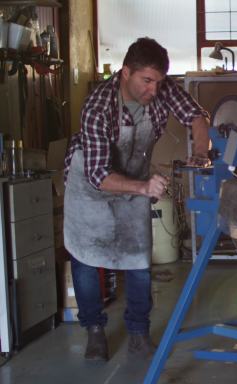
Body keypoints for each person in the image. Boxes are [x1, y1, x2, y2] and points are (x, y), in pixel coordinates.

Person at [63, 37, 210, 361]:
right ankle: (95, 331)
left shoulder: (160, 85)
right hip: (91, 183)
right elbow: (99, 176)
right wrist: (143, 188)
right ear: (125, 72)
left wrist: (201, 153)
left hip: (134, 175)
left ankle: (139, 334)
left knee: (138, 259)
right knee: (87, 257)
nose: (154, 91)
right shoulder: (98, 106)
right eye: (146, 81)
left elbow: (196, 117)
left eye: (158, 82)